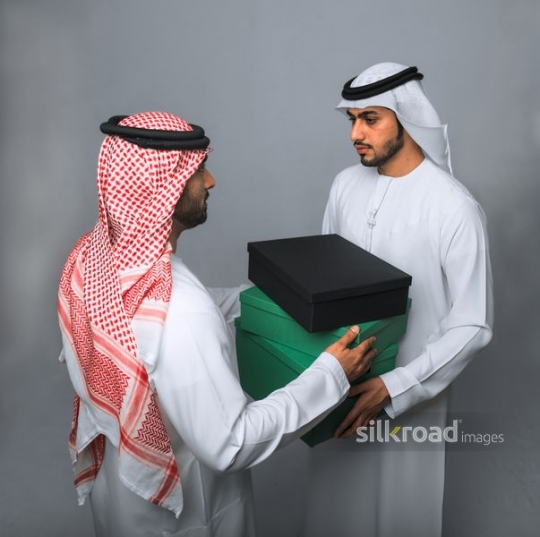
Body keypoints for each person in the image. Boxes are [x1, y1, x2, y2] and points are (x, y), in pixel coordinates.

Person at [57, 111, 377, 537]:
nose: (210, 181)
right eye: (198, 170)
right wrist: (332, 374)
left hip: (120, 496)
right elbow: (231, 443)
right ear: (162, 188)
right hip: (183, 514)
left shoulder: (90, 259)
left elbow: (147, 322)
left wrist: (263, 300)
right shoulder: (183, 310)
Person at [301, 63, 494, 537]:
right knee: (333, 511)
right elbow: (324, 282)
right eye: (352, 120)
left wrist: (395, 387)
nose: (356, 134)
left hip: (410, 400)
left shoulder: (454, 206)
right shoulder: (344, 185)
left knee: (400, 515)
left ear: (406, 119)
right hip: (340, 387)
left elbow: (473, 323)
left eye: (370, 119)